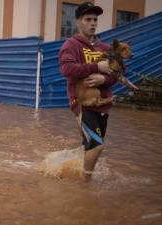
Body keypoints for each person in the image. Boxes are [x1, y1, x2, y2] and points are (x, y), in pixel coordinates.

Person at [58, 2, 116, 181]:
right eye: (88, 19)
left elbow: (118, 73)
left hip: (103, 104)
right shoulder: (71, 45)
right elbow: (67, 70)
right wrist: (96, 67)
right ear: (78, 23)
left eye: (95, 20)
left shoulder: (105, 48)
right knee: (97, 145)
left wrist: (104, 79)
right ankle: (84, 185)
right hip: (82, 104)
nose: (92, 23)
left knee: (89, 146)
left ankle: (67, 172)